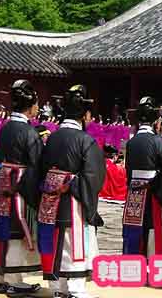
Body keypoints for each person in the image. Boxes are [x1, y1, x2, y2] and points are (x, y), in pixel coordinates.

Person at [37, 85, 105, 298]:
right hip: (73, 200)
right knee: (74, 242)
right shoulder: (86, 140)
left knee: (57, 240)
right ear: (85, 114)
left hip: (50, 199)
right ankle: (75, 288)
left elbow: (41, 168)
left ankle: (58, 288)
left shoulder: (52, 138)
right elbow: (94, 176)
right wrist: (78, 186)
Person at [0, 80, 43, 295]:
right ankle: (15, 280)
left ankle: (2, 276)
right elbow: (36, 164)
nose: (38, 108)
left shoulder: (5, 128)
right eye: (36, 104)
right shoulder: (29, 133)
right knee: (18, 231)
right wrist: (36, 195)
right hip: (21, 186)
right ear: (30, 105)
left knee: (6, 228)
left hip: (5, 181)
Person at [122, 96, 162, 258]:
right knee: (153, 229)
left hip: (134, 192)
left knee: (134, 227)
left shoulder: (132, 143)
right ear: (156, 121)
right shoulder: (159, 142)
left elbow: (128, 171)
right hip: (153, 193)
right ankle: (153, 261)